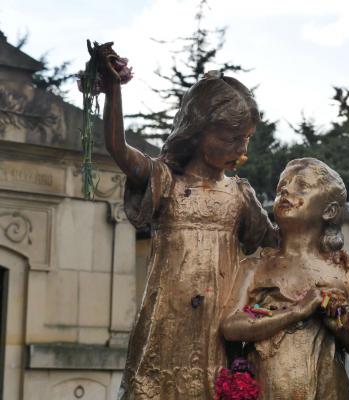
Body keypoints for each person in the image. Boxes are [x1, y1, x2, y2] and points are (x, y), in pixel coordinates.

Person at [96, 44, 278, 400]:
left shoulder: (240, 194)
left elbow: (273, 249)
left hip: (219, 327)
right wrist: (113, 90)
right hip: (168, 322)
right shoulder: (165, 180)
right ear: (197, 131)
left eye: (246, 140)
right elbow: (120, 150)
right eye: (231, 139)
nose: (242, 152)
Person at [221, 158, 349, 400]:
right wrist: (298, 310)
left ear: (329, 211)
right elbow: (231, 327)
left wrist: (346, 329)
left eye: (302, 186)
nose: (286, 190)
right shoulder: (256, 267)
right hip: (268, 390)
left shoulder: (345, 274)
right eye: (281, 186)